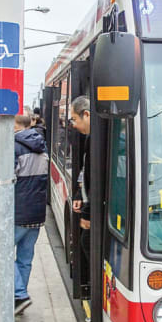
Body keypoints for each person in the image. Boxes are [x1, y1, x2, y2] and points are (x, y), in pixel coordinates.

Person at [13, 114, 49, 315]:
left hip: (18, 210)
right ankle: (19, 299)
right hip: (37, 212)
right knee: (25, 259)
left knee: (2, 254)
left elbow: (7, 179)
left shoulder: (13, 147)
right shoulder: (42, 146)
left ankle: (19, 295)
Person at [70, 96, 92, 235]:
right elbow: (86, 170)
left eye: (74, 119)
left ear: (86, 115)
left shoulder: (97, 140)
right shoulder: (89, 137)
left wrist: (87, 213)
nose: (73, 125)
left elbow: (96, 179)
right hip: (87, 202)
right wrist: (79, 194)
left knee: (86, 242)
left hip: (93, 210)